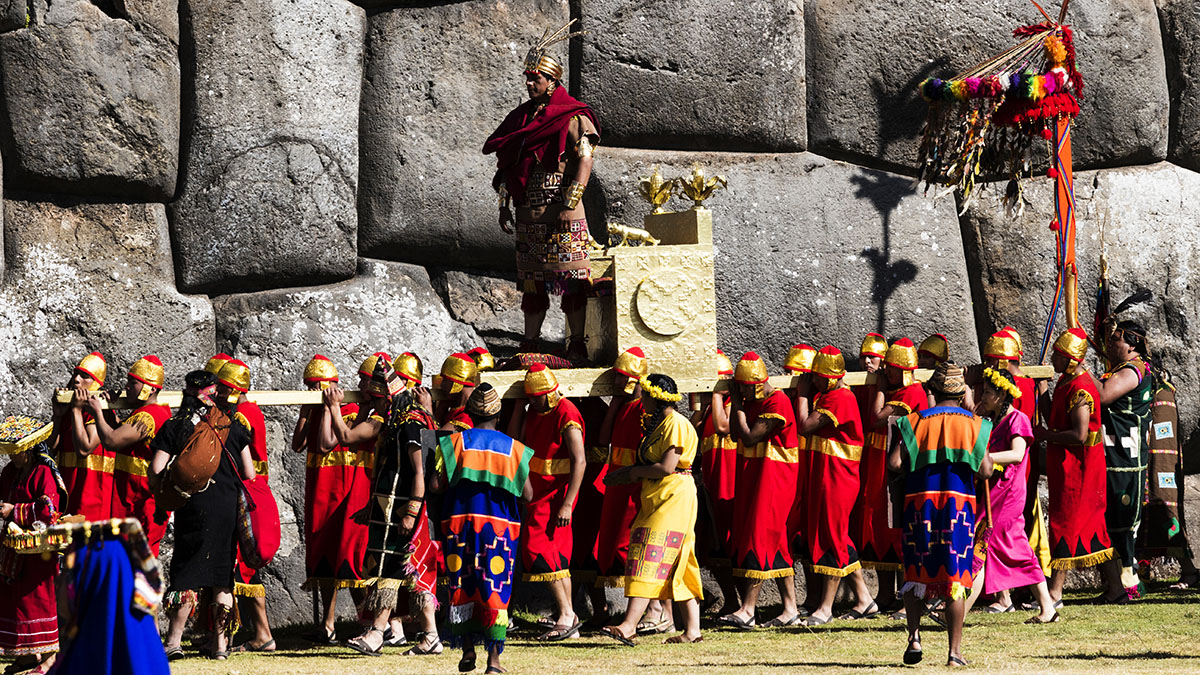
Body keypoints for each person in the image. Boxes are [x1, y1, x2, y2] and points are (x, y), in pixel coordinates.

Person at [483, 20, 599, 360]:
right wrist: (505, 203)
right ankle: (530, 343)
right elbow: (508, 163)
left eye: (537, 78)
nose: (531, 83)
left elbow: (585, 160)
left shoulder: (573, 116)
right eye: (529, 77)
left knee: (572, 280)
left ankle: (576, 343)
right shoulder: (520, 118)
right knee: (532, 282)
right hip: (529, 211)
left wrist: (570, 202)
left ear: (552, 82)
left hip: (564, 211)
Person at [324, 355, 441, 656]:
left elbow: (419, 472)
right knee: (411, 573)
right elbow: (389, 468)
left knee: (390, 570)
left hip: (403, 509)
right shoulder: (397, 416)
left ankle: (377, 633)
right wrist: (372, 506)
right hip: (387, 506)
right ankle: (431, 637)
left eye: (369, 388)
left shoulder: (411, 421)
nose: (362, 390)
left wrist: (411, 512)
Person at [887, 362, 993, 668]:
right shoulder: (976, 424)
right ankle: (954, 652)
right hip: (958, 511)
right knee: (954, 578)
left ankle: (914, 637)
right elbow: (985, 469)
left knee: (915, 574)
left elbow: (895, 464)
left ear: (931, 391)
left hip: (920, 508)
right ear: (962, 395)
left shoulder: (914, 422)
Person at [154, 369, 256, 661]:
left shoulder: (176, 426)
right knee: (222, 577)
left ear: (187, 392)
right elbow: (249, 473)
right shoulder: (234, 426)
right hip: (226, 508)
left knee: (186, 573)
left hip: (193, 506)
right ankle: (221, 647)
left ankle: (173, 642)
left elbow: (156, 470)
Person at [432, 383, 533, 674]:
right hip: (499, 532)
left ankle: (466, 650)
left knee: (461, 586)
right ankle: (494, 661)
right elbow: (528, 495)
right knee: (494, 590)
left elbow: (437, 486)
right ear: (498, 416)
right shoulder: (513, 449)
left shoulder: (454, 444)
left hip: (460, 528)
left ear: (470, 415)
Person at [602, 374, 704, 646]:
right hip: (657, 495)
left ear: (656, 399)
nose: (641, 400)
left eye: (645, 396)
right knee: (679, 558)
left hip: (674, 495)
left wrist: (630, 474)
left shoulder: (677, 424)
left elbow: (667, 467)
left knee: (649, 552)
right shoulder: (658, 423)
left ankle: (628, 625)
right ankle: (692, 631)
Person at [960, 368, 1057, 623]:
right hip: (992, 493)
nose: (985, 396)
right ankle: (1046, 607)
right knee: (1003, 547)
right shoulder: (992, 420)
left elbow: (1016, 453)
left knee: (986, 545)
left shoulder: (1018, 419)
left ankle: (960, 611)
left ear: (1003, 395)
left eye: (989, 393)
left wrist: (984, 458)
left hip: (1009, 494)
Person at [1033, 328, 1118, 604]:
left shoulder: (1081, 388)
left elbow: (1080, 435)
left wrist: (1046, 436)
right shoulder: (1065, 382)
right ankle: (1116, 588)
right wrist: (1043, 390)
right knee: (1090, 527)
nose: (1054, 360)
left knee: (1066, 525)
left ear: (1070, 358)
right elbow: (1054, 417)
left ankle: (1055, 593)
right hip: (1066, 466)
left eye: (1058, 355)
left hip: (1080, 469)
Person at [718, 352, 800, 629]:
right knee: (775, 541)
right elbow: (733, 433)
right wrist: (739, 404)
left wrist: (737, 402)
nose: (740, 391)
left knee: (758, 534)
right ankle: (790, 608)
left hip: (775, 480)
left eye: (743, 386)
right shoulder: (752, 402)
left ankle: (748, 609)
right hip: (755, 477)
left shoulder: (778, 402)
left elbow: (751, 435)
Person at [291, 355, 368, 643]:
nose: (312, 391)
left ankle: (366, 622)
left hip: (342, 491)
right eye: (307, 387)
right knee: (322, 556)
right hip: (318, 491)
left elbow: (325, 444)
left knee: (348, 557)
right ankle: (328, 623)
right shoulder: (312, 410)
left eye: (315, 386)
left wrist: (325, 409)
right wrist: (304, 411)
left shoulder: (347, 409)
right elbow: (298, 445)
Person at [796, 346, 874, 625]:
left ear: (829, 378)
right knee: (837, 536)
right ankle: (865, 599)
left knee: (832, 537)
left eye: (817, 377)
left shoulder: (839, 398)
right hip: (827, 476)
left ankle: (826, 608)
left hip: (838, 478)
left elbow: (804, 426)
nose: (812, 381)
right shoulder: (829, 395)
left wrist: (803, 395)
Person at [516, 364, 586, 641]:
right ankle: (568, 614)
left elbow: (579, 460)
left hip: (557, 495)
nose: (532, 401)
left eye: (536, 396)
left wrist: (568, 503)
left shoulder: (566, 411)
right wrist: (523, 405)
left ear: (550, 393)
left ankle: (567, 614)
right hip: (537, 494)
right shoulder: (533, 410)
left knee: (544, 552)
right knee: (550, 555)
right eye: (529, 397)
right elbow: (516, 443)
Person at [860, 338, 928, 610]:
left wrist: (879, 389)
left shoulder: (910, 393)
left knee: (898, 529)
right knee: (880, 528)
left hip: (901, 470)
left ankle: (906, 599)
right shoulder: (896, 389)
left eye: (891, 367)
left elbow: (876, 419)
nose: (886, 372)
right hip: (878, 464)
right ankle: (886, 594)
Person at [218, 358, 277, 653]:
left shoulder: (241, 416)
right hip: (251, 490)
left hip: (243, 492)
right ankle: (255, 633)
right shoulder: (251, 410)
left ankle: (261, 633)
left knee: (243, 567)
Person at [87, 355, 172, 554]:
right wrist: (109, 413)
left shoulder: (149, 416)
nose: (127, 387)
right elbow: (125, 440)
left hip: (139, 501)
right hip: (129, 497)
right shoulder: (145, 412)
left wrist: (98, 413)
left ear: (150, 389)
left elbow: (113, 441)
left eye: (133, 383)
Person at [1097, 320, 1154, 600]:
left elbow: (1104, 396)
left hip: (1123, 461)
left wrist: (1079, 373)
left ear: (1132, 345)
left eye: (1115, 340)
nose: (1109, 345)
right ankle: (1116, 586)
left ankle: (1127, 585)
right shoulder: (1123, 369)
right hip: (1115, 457)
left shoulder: (1133, 370)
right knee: (1111, 521)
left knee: (1120, 523)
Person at [0, 441, 67, 673]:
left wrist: (15, 510)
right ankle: (28, 655)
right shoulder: (10, 471)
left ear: (28, 451)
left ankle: (49, 658)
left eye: (16, 452)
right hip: (14, 548)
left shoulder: (44, 472)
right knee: (17, 602)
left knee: (38, 600)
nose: (12, 456)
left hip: (39, 551)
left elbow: (50, 510)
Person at [593, 348, 647, 593]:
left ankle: (659, 607)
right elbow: (604, 439)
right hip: (617, 481)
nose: (616, 381)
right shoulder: (624, 406)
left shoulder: (645, 409)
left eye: (621, 377)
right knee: (613, 542)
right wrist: (614, 403)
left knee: (628, 545)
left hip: (634, 485)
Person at [692, 349, 739, 615]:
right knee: (712, 546)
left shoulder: (730, 403)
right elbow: (693, 429)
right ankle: (730, 601)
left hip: (729, 484)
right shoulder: (710, 408)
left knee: (730, 544)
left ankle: (741, 604)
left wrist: (717, 395)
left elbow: (723, 427)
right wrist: (701, 408)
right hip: (710, 481)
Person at [52, 351, 114, 520]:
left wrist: (76, 410)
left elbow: (85, 448)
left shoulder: (101, 410)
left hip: (92, 498)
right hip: (67, 494)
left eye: (85, 376)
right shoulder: (71, 410)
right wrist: (58, 416)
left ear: (96, 384)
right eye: (75, 374)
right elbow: (51, 450)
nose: (76, 380)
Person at [436, 353, 478, 431]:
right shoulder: (456, 407)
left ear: (456, 383)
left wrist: (428, 407)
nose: (442, 385)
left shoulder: (466, 417)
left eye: (445, 380)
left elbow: (433, 441)